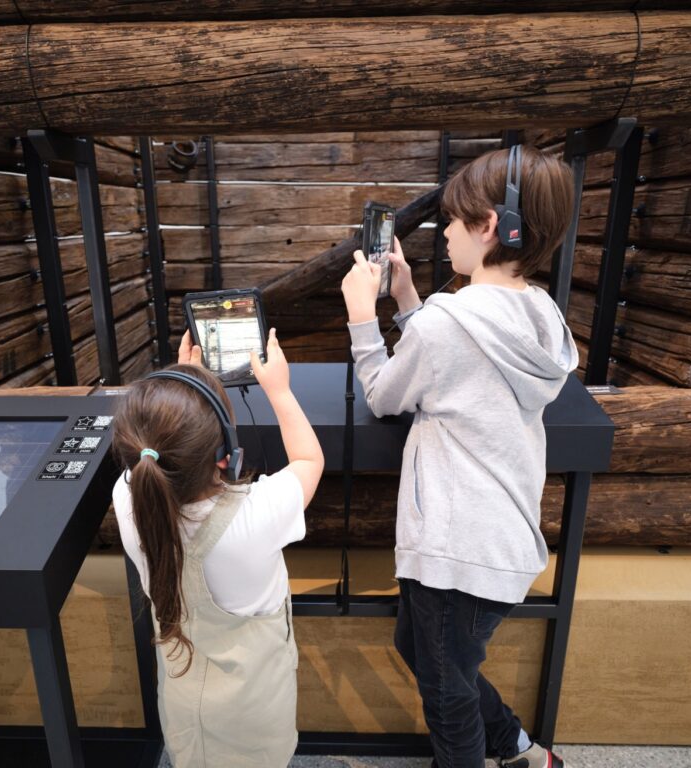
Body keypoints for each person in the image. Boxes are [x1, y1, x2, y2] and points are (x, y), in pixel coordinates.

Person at [341, 145, 578, 768]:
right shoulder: (542, 315)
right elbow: (461, 365)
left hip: (455, 547)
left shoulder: (450, 323)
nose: (444, 231)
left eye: (453, 219)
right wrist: (410, 301)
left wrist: (364, 319)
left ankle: (509, 750)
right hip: (499, 538)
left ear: (491, 227)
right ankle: (522, 750)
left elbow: (385, 394)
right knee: (425, 653)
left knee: (446, 694)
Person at [111, 328, 325, 767]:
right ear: (226, 454)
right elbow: (309, 461)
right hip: (253, 711)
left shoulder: (128, 494)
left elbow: (161, 453)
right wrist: (279, 390)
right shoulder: (253, 515)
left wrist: (187, 379)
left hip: (183, 698)